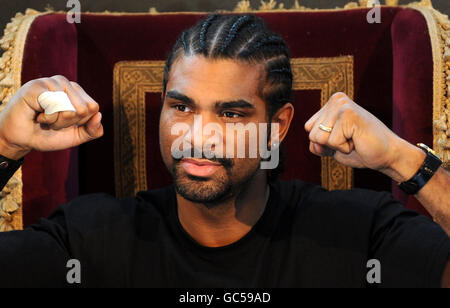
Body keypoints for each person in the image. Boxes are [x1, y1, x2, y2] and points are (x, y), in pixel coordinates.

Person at [0, 14, 448, 288]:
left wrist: (402, 159)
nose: (199, 136)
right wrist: (4, 144)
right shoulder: (90, 237)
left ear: (279, 125)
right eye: (181, 106)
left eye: (232, 115)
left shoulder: (359, 233)